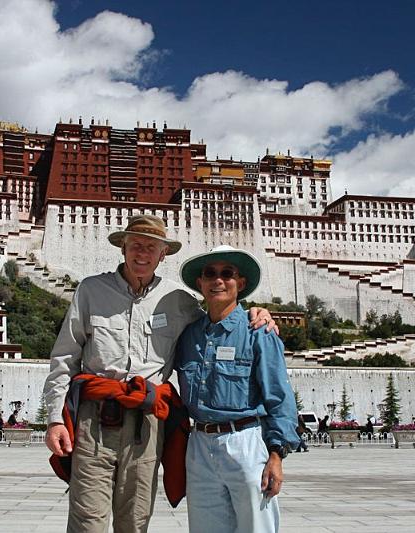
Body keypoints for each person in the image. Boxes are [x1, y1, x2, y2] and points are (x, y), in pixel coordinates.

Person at [43, 215, 276, 533]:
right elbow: (64, 358)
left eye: (151, 247)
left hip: (147, 423)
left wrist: (256, 312)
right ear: (123, 247)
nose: (142, 253)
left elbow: (218, 319)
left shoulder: (178, 300)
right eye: (136, 244)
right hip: (94, 418)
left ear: (163, 254)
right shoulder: (91, 290)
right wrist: (56, 418)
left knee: (136, 519)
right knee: (88, 520)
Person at [175, 245, 300, 533]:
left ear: (240, 284)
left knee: (256, 527)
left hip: (244, 442)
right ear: (200, 283)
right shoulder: (189, 335)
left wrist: (277, 455)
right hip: (199, 446)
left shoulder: (258, 331)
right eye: (210, 274)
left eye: (227, 273)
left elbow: (279, 397)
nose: (218, 280)